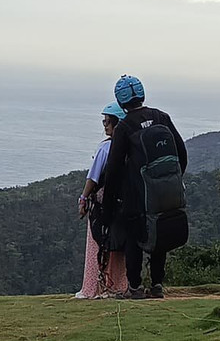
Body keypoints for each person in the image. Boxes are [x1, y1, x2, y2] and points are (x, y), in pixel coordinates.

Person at [102, 75, 189, 300]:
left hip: (136, 194)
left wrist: (109, 202)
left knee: (135, 237)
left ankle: (135, 287)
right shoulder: (162, 117)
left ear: (121, 102)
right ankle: (157, 285)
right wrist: (171, 181)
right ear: (141, 95)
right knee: (159, 233)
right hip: (166, 190)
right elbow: (182, 154)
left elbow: (113, 169)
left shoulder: (125, 127)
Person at [75, 104, 128, 299]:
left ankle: (92, 288)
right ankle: (119, 286)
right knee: (119, 243)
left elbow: (93, 177)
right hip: (126, 203)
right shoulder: (132, 146)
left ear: (116, 123)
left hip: (103, 203)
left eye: (107, 121)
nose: (104, 125)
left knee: (97, 242)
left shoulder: (106, 148)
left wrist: (83, 198)